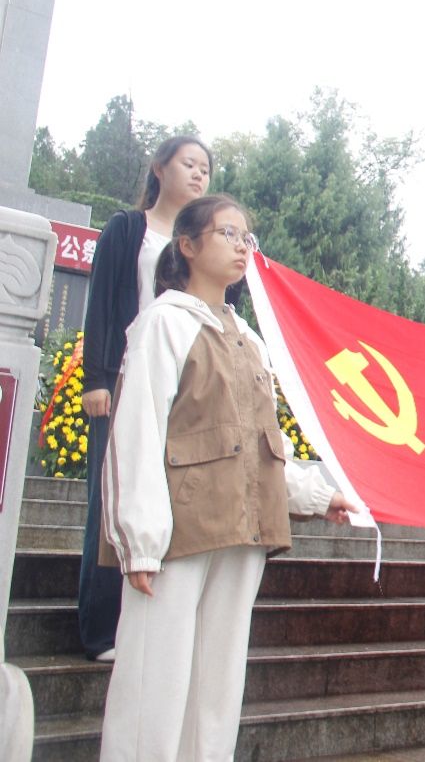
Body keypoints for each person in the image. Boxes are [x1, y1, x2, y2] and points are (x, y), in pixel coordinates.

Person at [97, 194, 358, 761]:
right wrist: (139, 540)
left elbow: (264, 444)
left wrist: (317, 496)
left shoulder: (250, 340)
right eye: (228, 233)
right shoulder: (163, 323)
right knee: (153, 679)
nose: (242, 246)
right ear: (187, 246)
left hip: (243, 529)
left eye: (247, 237)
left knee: (217, 687)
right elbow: (137, 430)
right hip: (178, 529)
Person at [78, 135, 219, 662]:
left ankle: (147, 625)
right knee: (112, 500)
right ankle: (100, 630)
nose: (199, 174)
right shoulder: (126, 229)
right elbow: (100, 303)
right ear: (159, 168)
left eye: (206, 168)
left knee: (165, 499)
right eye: (189, 163)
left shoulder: (196, 246)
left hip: (178, 389)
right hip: (122, 380)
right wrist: (96, 379)